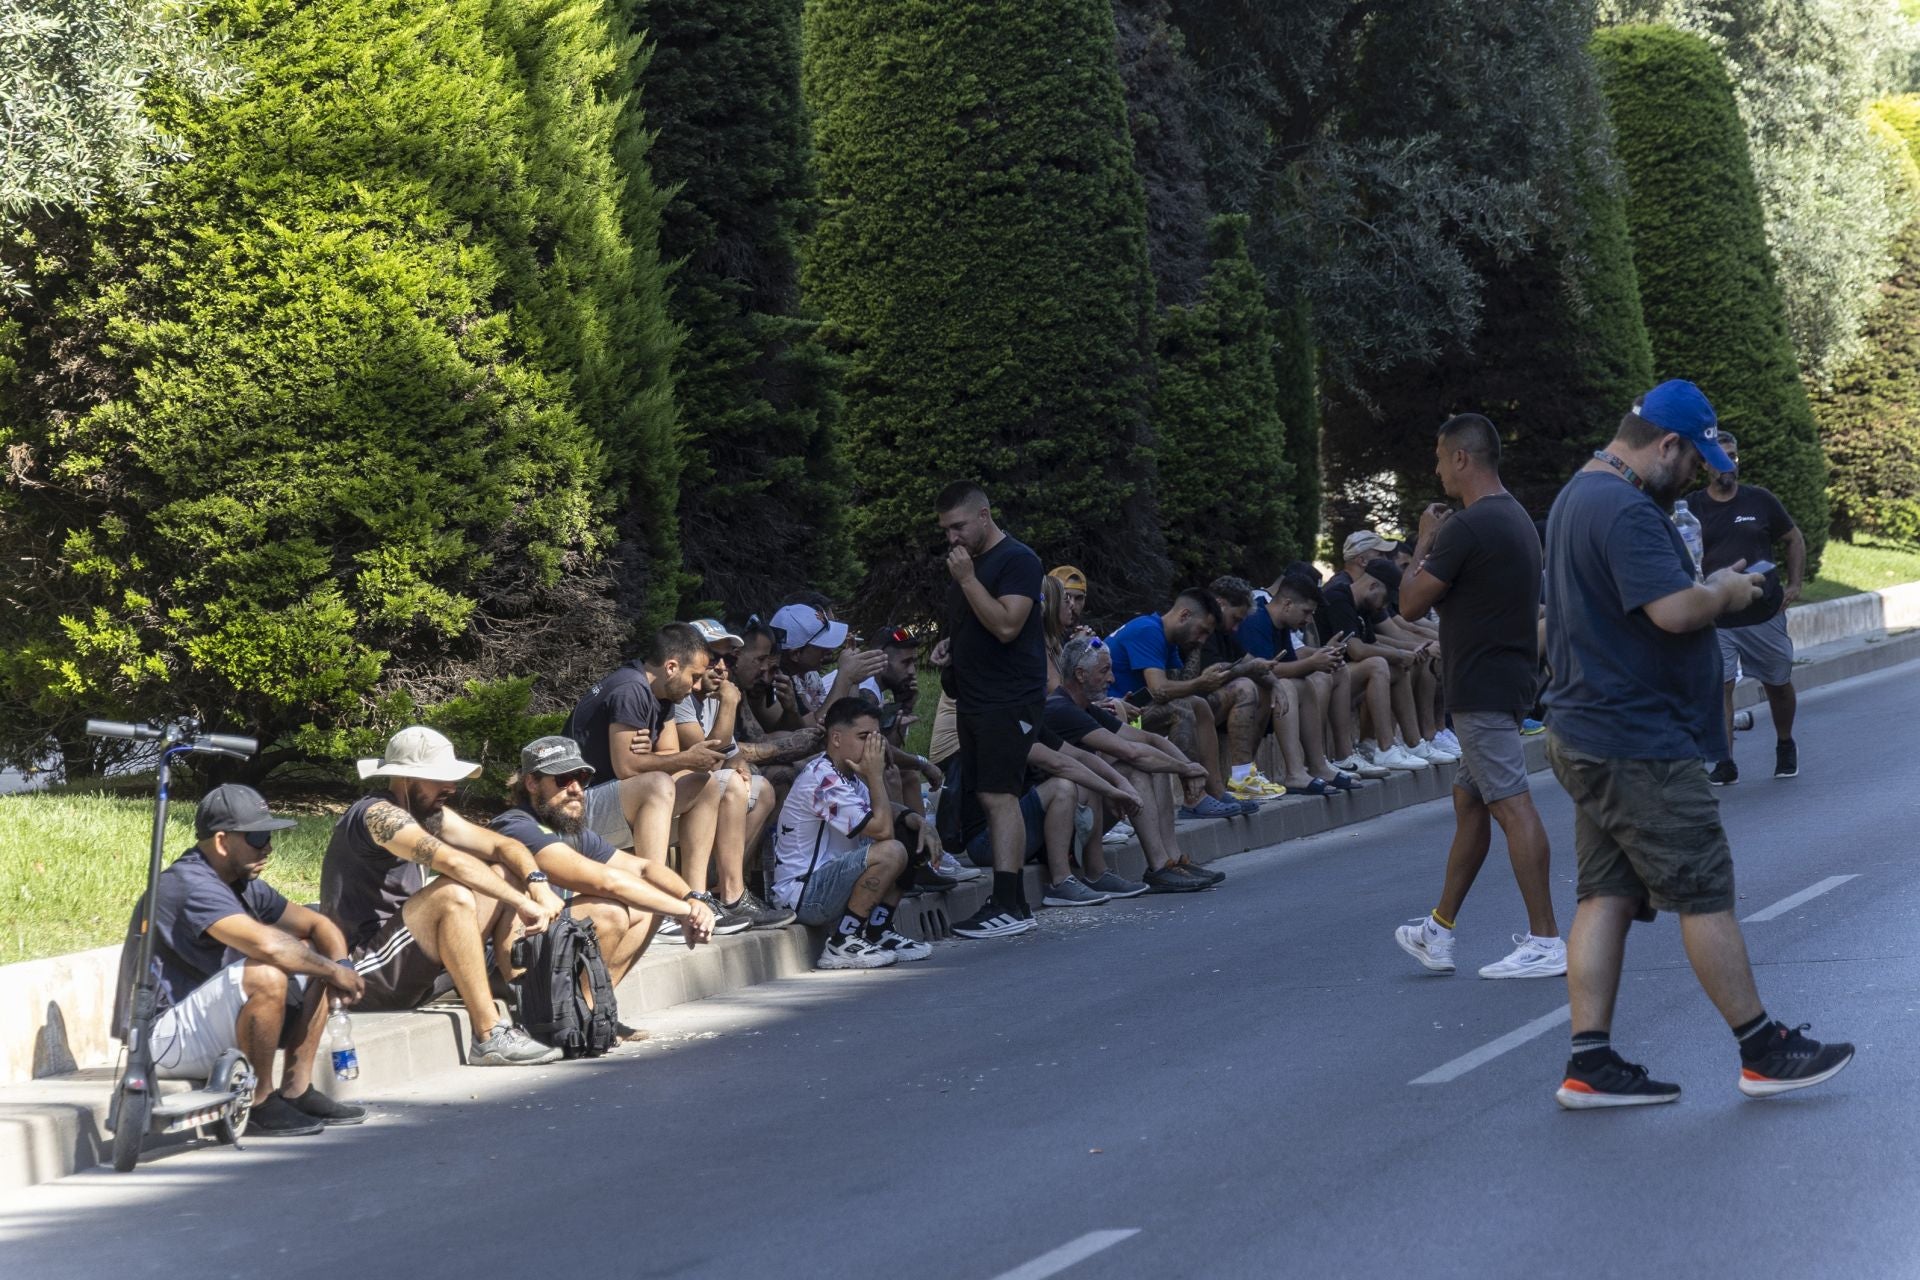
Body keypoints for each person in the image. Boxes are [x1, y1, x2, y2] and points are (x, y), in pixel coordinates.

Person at [1543, 379, 1852, 1108]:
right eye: (1693, 462)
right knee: (1703, 889)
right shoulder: (1624, 509)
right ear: (1666, 445)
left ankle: (1590, 1063)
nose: (1700, 478)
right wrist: (1728, 591)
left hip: (1588, 728)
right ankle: (1762, 1050)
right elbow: (1677, 612)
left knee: (1606, 894)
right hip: (1636, 740)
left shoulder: (1576, 496)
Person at [1393, 413, 1563, 980]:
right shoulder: (1515, 517)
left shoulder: (1466, 527)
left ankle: (1546, 940)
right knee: (1471, 802)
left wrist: (1422, 540)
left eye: (1440, 457)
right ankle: (1438, 930)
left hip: (1481, 688)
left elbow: (1410, 604)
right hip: (1508, 679)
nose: (1438, 468)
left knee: (1511, 804)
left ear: (1461, 458)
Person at [322, 726, 565, 1067]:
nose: (451, 787)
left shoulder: (426, 813)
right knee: (452, 894)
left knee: (504, 872)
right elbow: (451, 861)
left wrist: (536, 882)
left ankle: (528, 1005)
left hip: (410, 956)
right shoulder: (378, 815)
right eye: (440, 780)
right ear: (407, 778)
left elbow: (503, 845)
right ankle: (489, 1035)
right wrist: (522, 902)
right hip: (369, 970)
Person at [134, 784, 368, 1134]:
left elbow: (319, 924)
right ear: (222, 841)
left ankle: (296, 1091)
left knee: (313, 953)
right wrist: (334, 971)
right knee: (267, 973)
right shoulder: (191, 885)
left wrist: (341, 967)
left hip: (208, 1025)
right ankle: (259, 1100)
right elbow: (269, 948)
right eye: (258, 837)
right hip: (164, 1040)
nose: (269, 847)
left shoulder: (242, 883)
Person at [564, 624, 763, 933]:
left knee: (705, 783)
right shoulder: (631, 689)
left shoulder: (662, 695)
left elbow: (667, 752)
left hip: (613, 801)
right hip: (574, 813)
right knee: (658, 783)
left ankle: (695, 898)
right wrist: (676, 759)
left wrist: (664, 758)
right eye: (694, 676)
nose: (697, 685)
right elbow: (629, 769)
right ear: (671, 667)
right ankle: (654, 906)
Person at [491, 736, 719, 992]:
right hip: (508, 955)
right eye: (563, 780)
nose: (576, 788)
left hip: (546, 935)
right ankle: (580, 1014)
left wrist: (693, 898)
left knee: (652, 902)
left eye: (581, 778)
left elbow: (643, 868)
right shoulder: (518, 827)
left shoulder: (569, 829)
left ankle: (597, 1009)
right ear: (532, 783)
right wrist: (684, 912)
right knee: (610, 912)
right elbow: (607, 882)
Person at [936, 481, 1050, 939]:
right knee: (988, 795)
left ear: (984, 515)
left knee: (1001, 795)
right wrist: (953, 644)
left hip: (1009, 699)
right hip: (975, 698)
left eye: (959, 526)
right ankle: (1013, 901)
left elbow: (1006, 624)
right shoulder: (973, 561)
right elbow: (981, 624)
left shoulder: (1018, 560)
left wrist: (966, 580)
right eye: (945, 530)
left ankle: (1008, 902)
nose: (952, 538)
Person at [1680, 430, 1807, 784]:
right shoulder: (1691, 508)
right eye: (1720, 457)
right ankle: (1725, 760)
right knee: (1718, 687)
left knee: (1777, 684)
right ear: (1704, 464)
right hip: (1714, 617)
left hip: (1762, 614)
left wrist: (1796, 584)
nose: (1728, 464)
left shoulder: (1760, 501)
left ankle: (1785, 743)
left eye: (1733, 456)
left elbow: (1793, 538)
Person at [770, 699, 934, 969]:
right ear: (836, 737)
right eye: (863, 737)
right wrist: (875, 776)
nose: (872, 746)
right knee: (891, 848)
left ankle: (877, 931)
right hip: (804, 896)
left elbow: (880, 810)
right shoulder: (823, 780)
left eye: (876, 738)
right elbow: (881, 829)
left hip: (829, 885)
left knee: (911, 834)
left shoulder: (847, 775)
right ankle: (843, 941)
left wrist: (915, 818)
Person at [1048, 638, 1218, 891]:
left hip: (1083, 811)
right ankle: (1159, 866)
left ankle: (1170, 859)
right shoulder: (1061, 708)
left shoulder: (1084, 707)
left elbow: (1149, 739)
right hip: (1055, 826)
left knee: (1154, 764)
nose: (1112, 679)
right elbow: (1131, 752)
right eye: (1104, 671)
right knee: (1135, 767)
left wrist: (1186, 767)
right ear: (1081, 674)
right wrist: (1186, 769)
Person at [665, 618, 795, 928]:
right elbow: (707, 756)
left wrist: (738, 763)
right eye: (714, 657)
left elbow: (731, 755)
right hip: (673, 794)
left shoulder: (712, 696)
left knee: (762, 789)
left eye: (728, 659)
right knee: (733, 785)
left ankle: (720, 886)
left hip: (698, 793)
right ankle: (732, 897)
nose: (722, 668)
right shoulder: (684, 696)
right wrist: (730, 705)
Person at [1104, 589, 1258, 819]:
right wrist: (1201, 682)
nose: (1203, 639)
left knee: (1197, 705)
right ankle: (1193, 798)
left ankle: (1215, 791)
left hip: (1134, 712)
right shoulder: (1148, 630)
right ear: (1184, 615)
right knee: (1181, 711)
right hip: (1111, 717)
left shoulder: (1168, 640)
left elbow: (1182, 687)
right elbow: (1159, 690)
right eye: (1202, 631)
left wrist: (1201, 668)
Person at [1233, 570, 1364, 794]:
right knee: (1287, 686)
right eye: (1306, 612)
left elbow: (1290, 669)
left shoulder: (1281, 625)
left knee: (1303, 686)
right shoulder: (1256, 620)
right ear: (1287, 604)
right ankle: (1294, 772)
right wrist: (1313, 662)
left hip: (1264, 694)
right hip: (1246, 693)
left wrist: (1322, 657)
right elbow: (1265, 671)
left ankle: (1317, 765)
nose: (1308, 620)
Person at [1314, 559, 1429, 772]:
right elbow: (1357, 649)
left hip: (1345, 675)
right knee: (1378, 664)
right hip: (1327, 675)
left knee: (1396, 667)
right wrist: (1400, 653)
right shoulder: (1338, 598)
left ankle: (1414, 744)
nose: (1384, 606)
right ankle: (1385, 749)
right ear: (1373, 586)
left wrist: (1410, 650)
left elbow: (1373, 642)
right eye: (1386, 599)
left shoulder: (1364, 604)